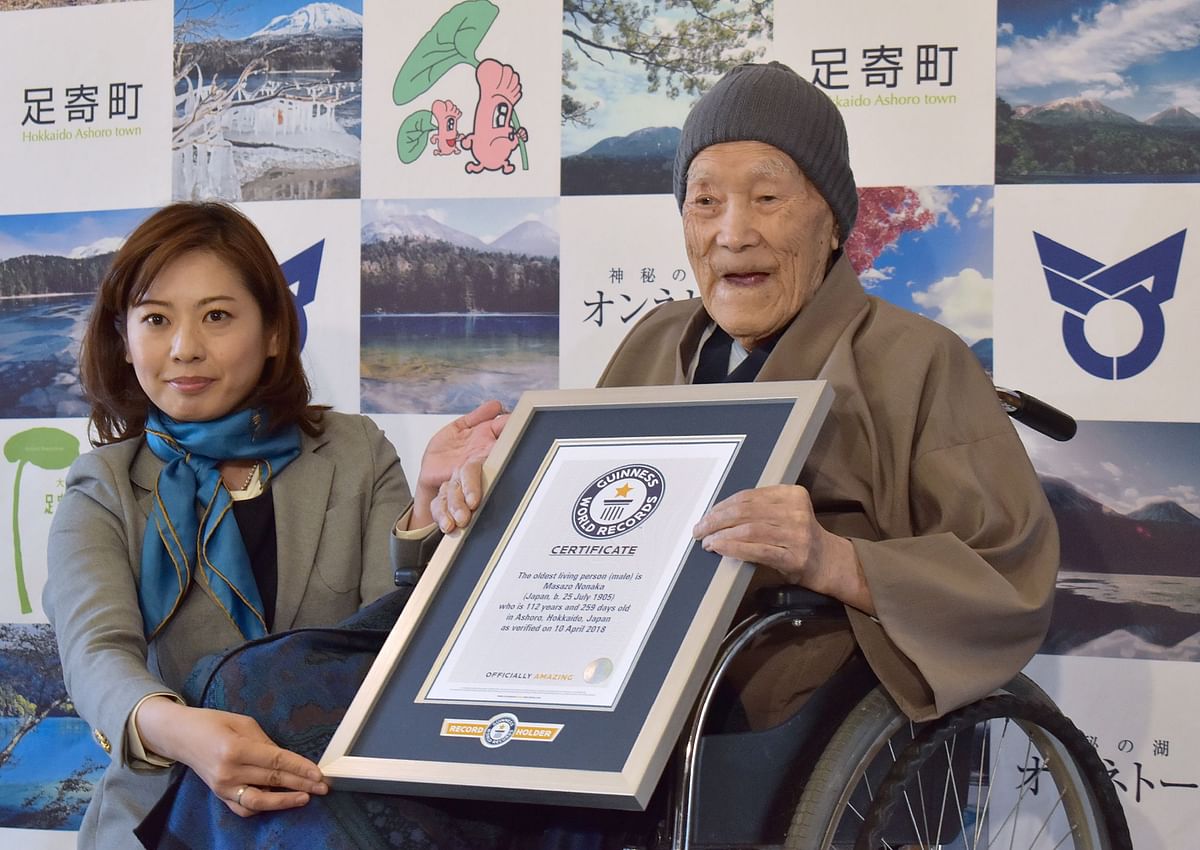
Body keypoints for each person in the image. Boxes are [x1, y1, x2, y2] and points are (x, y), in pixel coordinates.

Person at [436, 61, 1059, 730]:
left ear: (832, 222)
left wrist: (831, 559)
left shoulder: (919, 359)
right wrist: (474, 501)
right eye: (705, 202)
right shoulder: (656, 338)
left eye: (766, 199)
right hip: (603, 665)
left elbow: (1006, 577)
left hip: (769, 690)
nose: (732, 233)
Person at [43, 202, 506, 849]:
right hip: (169, 808)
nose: (184, 348)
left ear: (274, 334)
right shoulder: (104, 486)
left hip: (343, 800)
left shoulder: (353, 449)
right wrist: (187, 735)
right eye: (156, 318)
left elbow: (392, 635)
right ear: (124, 338)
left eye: (217, 316)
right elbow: (96, 655)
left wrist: (429, 502)